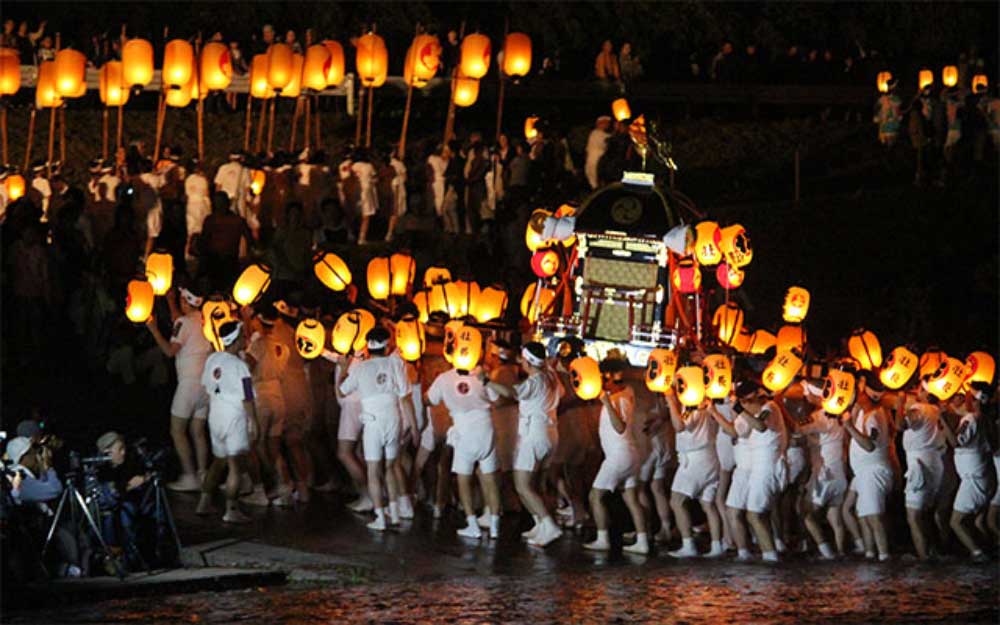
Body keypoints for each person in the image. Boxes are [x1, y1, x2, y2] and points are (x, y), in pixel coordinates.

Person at [481, 342, 565, 547]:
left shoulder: (536, 381)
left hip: (534, 435)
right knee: (536, 484)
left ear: (527, 361)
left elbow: (512, 393)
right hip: (551, 433)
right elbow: (561, 393)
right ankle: (540, 525)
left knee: (523, 485)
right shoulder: (551, 376)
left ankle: (549, 525)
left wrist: (486, 381)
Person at [338, 327, 419, 531]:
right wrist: (415, 427)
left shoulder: (361, 368)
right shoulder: (395, 363)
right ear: (387, 344)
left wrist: (343, 368)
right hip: (393, 418)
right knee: (391, 466)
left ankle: (380, 517)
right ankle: (394, 513)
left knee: (374, 470)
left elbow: (342, 390)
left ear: (368, 345)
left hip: (373, 422)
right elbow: (406, 397)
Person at [145, 285, 211, 491]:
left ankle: (189, 475)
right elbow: (180, 323)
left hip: (188, 384)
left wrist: (154, 329)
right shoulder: (205, 320)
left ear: (186, 302)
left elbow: (170, 351)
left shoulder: (183, 322)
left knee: (177, 430)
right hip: (205, 385)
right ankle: (203, 474)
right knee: (198, 431)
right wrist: (171, 301)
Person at [430, 358, 502, 540]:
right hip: (486, 429)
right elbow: (497, 399)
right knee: (490, 478)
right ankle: (494, 527)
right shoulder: (482, 376)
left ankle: (472, 525)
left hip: (464, 431)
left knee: (464, 479)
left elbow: (429, 399)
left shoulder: (444, 378)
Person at [583, 357, 649, 554]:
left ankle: (602, 538)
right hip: (630, 454)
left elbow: (620, 427)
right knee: (631, 498)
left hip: (618, 455)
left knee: (595, 496)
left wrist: (606, 402)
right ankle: (643, 541)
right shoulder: (626, 391)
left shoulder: (617, 398)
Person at [196, 321, 257, 524]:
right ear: (236, 339)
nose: (245, 339)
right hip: (234, 417)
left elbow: (206, 385)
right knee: (234, 465)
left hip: (216, 414)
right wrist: (253, 421)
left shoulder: (213, 358)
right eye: (242, 336)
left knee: (218, 460)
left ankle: (204, 501)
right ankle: (231, 509)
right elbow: (247, 396)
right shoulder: (240, 366)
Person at [664, 388, 723, 558]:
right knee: (707, 504)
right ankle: (716, 545)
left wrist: (669, 400)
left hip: (695, 461)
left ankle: (688, 544)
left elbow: (679, 426)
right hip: (710, 457)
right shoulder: (707, 403)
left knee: (677, 501)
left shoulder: (694, 405)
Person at [842, 375, 893, 561]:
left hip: (873, 471)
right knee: (859, 512)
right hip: (863, 471)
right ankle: (870, 553)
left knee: (874, 516)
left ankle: (884, 556)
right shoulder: (865, 412)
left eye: (860, 393)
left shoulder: (874, 417)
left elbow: (869, 445)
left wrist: (849, 427)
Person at [939, 384, 992, 562]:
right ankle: (990, 548)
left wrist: (942, 419)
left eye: (968, 395)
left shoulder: (971, 419)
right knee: (977, 521)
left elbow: (955, 442)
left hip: (972, 479)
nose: (965, 398)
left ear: (976, 400)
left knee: (957, 521)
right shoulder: (985, 418)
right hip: (983, 474)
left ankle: (978, 554)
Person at [198, 191, 253, 292]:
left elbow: (249, 239)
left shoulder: (237, 221)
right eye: (217, 203)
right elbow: (204, 240)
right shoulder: (211, 220)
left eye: (221, 203)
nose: (220, 206)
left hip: (229, 259)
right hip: (213, 259)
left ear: (227, 203)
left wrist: (247, 255)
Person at [214, 152, 250, 220]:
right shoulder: (245, 170)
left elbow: (218, 186)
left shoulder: (223, 168)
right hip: (239, 202)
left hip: (224, 202)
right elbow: (247, 188)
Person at [584, 116, 612, 190]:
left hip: (594, 160)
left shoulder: (600, 134)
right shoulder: (596, 134)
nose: (608, 125)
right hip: (595, 160)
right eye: (606, 123)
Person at [873, 77, 902, 147]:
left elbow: (898, 111)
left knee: (891, 143)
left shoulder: (895, 99)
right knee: (886, 143)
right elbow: (876, 108)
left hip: (892, 125)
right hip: (886, 125)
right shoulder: (882, 99)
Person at [385, 151, 406, 242]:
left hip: (388, 193)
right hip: (396, 195)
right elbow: (405, 177)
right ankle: (390, 233)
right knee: (396, 214)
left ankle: (393, 233)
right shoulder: (396, 176)